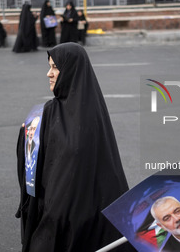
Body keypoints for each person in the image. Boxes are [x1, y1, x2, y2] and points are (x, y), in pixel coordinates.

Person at [16, 43, 136, 252]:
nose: (49, 73)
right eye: (49, 66)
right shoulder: (54, 112)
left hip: (66, 220)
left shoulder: (76, 115)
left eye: (55, 67)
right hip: (64, 214)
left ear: (71, 70)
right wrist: (27, 134)